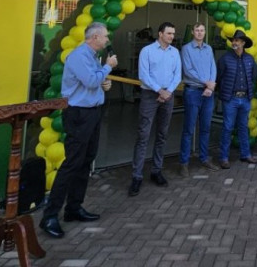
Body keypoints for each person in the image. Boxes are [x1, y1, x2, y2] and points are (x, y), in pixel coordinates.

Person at [40, 22, 116, 239]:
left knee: (86, 159)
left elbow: (94, 81)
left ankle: (74, 207)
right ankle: (50, 216)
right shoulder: (78, 56)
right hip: (78, 114)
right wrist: (108, 67)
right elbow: (91, 81)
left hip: (92, 112)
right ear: (93, 37)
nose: (107, 40)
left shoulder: (92, 56)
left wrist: (105, 83)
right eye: (105, 36)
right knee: (72, 161)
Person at [129, 22, 181, 197]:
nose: (172, 37)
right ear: (160, 34)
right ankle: (136, 176)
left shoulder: (175, 53)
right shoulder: (147, 51)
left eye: (173, 34)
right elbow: (144, 75)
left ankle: (156, 171)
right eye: (169, 33)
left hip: (168, 95)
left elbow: (177, 75)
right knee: (143, 135)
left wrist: (168, 92)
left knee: (162, 135)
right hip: (150, 95)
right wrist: (160, 91)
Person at [178, 23, 220, 177]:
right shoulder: (186, 49)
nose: (200, 33)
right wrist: (206, 82)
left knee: (205, 127)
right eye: (197, 30)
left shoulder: (209, 49)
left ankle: (204, 158)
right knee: (189, 129)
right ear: (192, 32)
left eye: (202, 30)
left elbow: (212, 67)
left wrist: (211, 86)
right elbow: (188, 70)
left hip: (208, 93)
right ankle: (184, 162)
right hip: (193, 92)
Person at [216, 29, 257, 168]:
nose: (234, 42)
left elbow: (254, 76)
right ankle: (224, 157)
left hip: (245, 98)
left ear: (243, 43)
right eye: (233, 40)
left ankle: (245, 154)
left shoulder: (249, 59)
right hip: (230, 99)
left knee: (243, 127)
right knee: (228, 127)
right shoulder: (225, 58)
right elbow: (219, 77)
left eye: (237, 40)